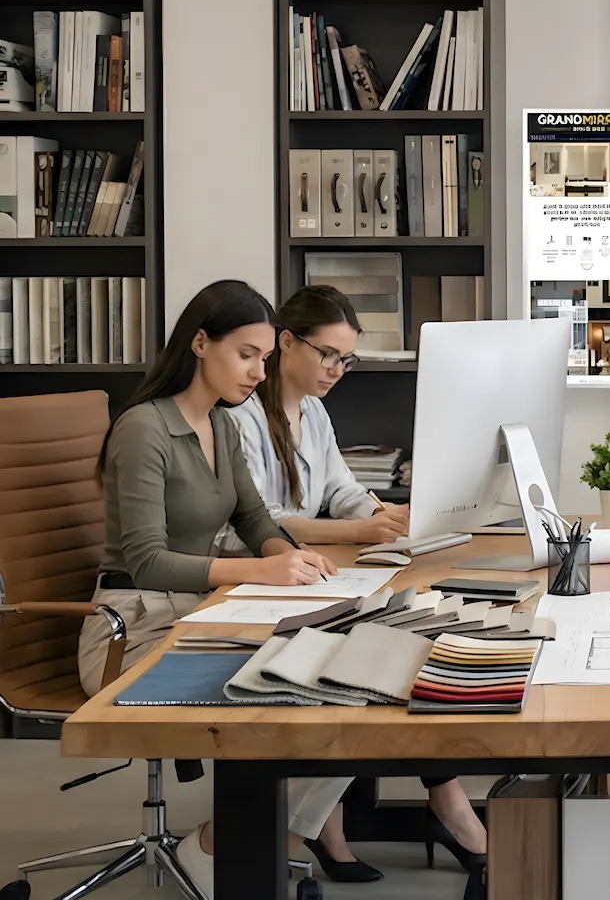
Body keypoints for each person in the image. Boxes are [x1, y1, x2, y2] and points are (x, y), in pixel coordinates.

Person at [75, 279, 350, 899]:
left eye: (264, 358)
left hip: (199, 611)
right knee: (284, 693)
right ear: (200, 343)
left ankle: (249, 838)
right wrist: (260, 572)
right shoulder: (144, 429)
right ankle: (227, 845)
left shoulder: (221, 424)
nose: (258, 372)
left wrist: (288, 556)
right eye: (245, 354)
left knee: (338, 678)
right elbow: (146, 561)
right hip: (130, 627)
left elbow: (253, 519)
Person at [225, 283, 488, 889]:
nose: (336, 371)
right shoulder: (240, 418)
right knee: (368, 665)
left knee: (406, 638)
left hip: (310, 572)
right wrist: (358, 528)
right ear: (286, 343)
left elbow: (341, 488)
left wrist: (385, 515)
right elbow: (260, 519)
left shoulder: (312, 412)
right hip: (265, 577)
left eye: (346, 360)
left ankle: (332, 820)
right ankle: (320, 823)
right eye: (327, 355)